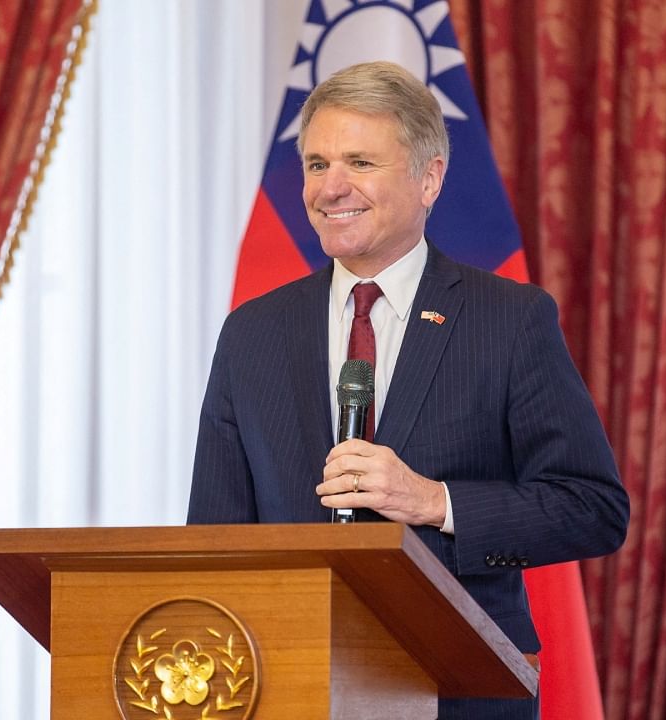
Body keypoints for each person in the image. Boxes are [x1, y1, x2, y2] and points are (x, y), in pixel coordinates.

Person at [188, 60, 629, 719]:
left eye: (360, 162)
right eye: (315, 164)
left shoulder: (509, 320)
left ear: (429, 178)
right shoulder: (252, 333)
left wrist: (433, 501)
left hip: (459, 693)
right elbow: (212, 543)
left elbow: (593, 508)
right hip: (287, 689)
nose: (330, 188)